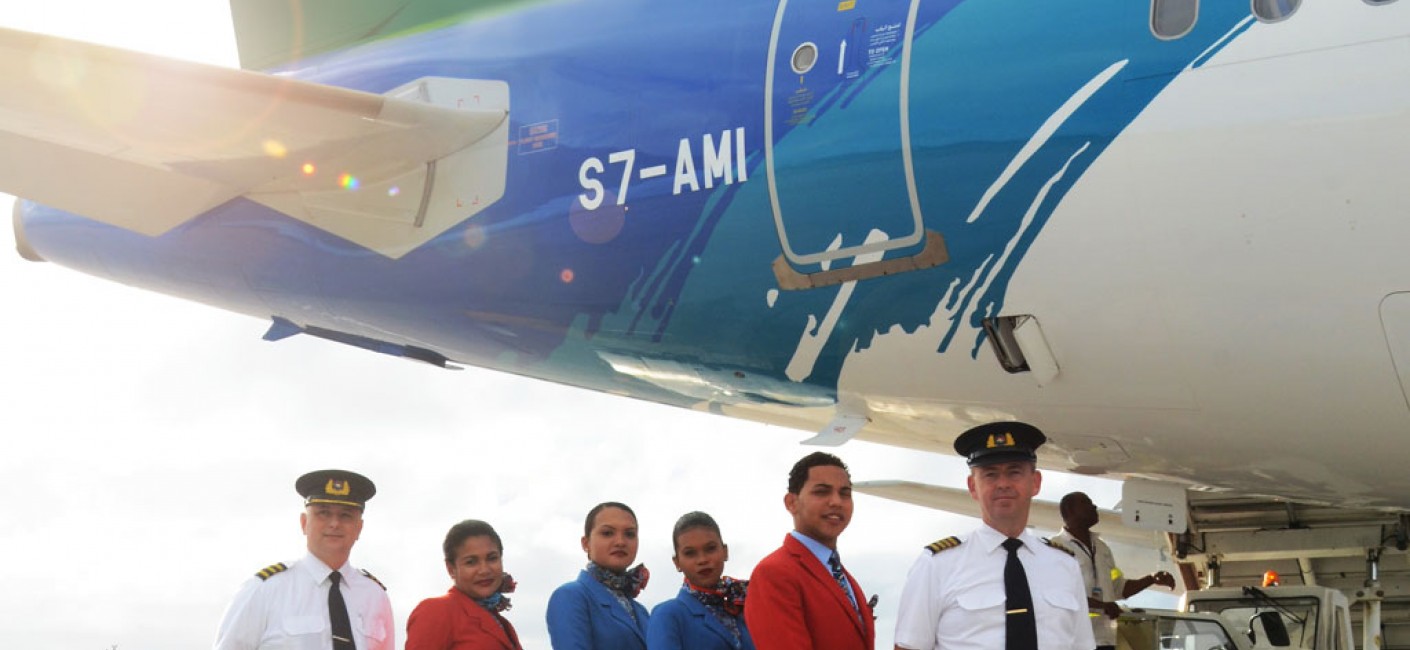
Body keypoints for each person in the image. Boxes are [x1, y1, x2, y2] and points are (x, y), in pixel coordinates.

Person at [894, 422, 1093, 650]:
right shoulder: (937, 565)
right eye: (990, 475)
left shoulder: (1065, 565)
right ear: (972, 486)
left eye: (1014, 472)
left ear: (1035, 483)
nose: (1003, 484)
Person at [213, 469, 395, 650]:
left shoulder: (375, 596)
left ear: (359, 528)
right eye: (323, 513)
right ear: (303, 523)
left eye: (345, 515)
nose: (334, 523)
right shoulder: (264, 590)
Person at [744, 452, 875, 650]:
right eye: (822, 492)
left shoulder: (840, 575)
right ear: (791, 503)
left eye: (845, 493)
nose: (836, 502)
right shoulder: (774, 573)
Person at [1050, 491, 1176, 650]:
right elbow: (1061, 595)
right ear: (1069, 510)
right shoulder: (1055, 548)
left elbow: (1118, 588)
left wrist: (1151, 579)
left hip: (1105, 640)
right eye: (1086, 503)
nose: (1094, 506)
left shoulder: (1102, 548)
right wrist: (1103, 606)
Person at [547, 501, 651, 649]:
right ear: (586, 543)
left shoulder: (641, 611)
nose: (620, 542)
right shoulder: (571, 596)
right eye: (607, 533)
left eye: (629, 534)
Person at [406, 519, 523, 650]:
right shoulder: (437, 611)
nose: (484, 570)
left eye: (492, 558)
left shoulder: (503, 624)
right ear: (451, 569)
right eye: (471, 562)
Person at [647, 511, 755, 650]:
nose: (702, 559)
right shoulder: (668, 615)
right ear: (677, 562)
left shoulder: (742, 607)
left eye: (710, 549)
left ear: (725, 552)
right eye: (690, 553)